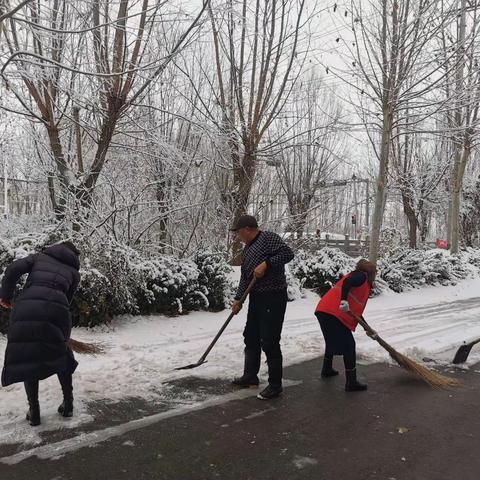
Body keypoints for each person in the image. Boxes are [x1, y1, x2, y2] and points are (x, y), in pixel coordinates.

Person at [0, 241, 81, 426]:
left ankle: (34, 411)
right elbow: (67, 300)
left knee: (29, 355)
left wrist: (5, 295)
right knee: (62, 355)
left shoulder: (39, 257)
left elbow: (13, 270)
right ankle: (68, 404)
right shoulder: (74, 273)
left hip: (26, 307)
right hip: (57, 312)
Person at [230, 215, 294, 400]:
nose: (238, 237)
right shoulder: (247, 250)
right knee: (250, 335)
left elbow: (288, 254)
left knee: (269, 340)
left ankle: (275, 385)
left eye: (239, 233)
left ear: (247, 229)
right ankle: (250, 376)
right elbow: (245, 278)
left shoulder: (268, 238)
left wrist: (266, 264)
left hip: (273, 297)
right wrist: (238, 299)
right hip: (256, 298)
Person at [314, 259, 377, 392]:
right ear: (370, 272)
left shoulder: (361, 282)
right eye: (375, 272)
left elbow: (356, 311)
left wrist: (368, 328)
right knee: (349, 346)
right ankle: (351, 382)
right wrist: (343, 301)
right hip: (334, 312)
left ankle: (327, 369)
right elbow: (348, 283)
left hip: (324, 310)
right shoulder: (361, 276)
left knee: (331, 341)